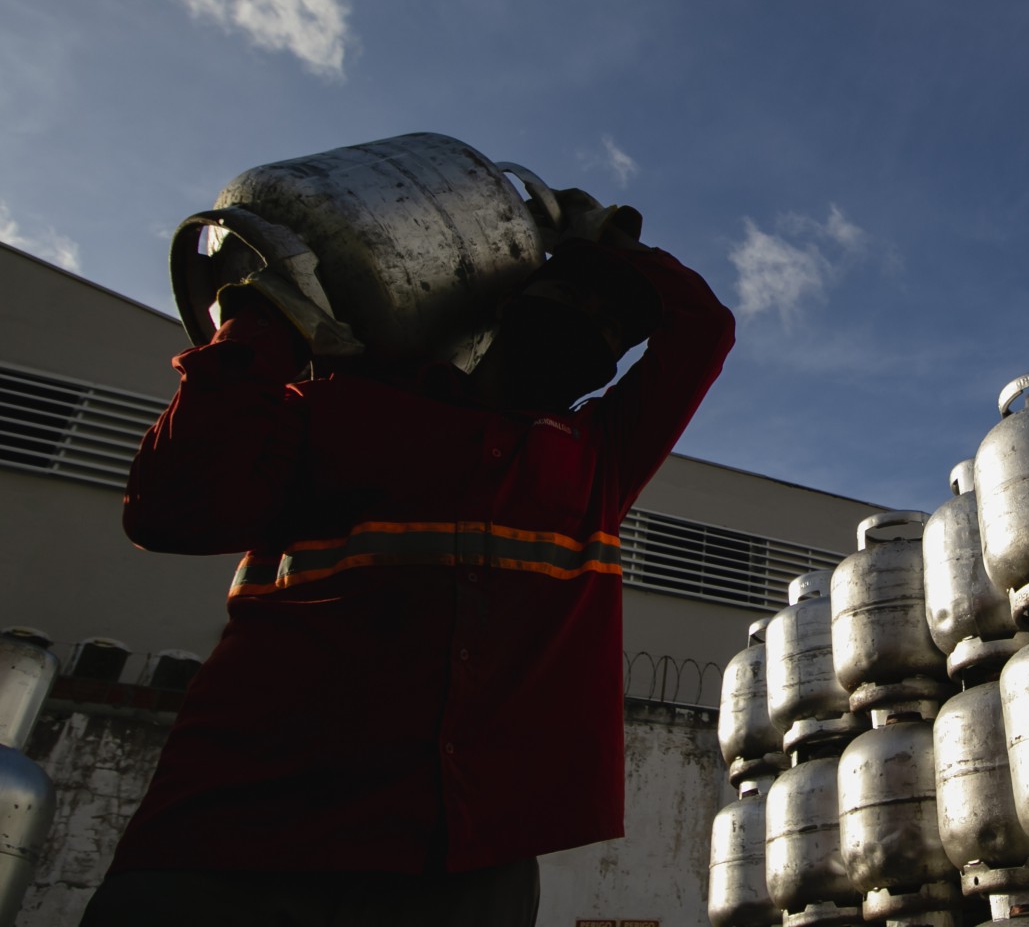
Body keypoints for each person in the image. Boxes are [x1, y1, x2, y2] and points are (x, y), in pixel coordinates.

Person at [78, 202, 735, 926]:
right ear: (505, 309)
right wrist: (262, 326)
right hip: (234, 833)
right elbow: (172, 509)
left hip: (460, 860)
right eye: (569, 293)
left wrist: (612, 246)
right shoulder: (335, 407)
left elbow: (703, 328)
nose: (588, 322)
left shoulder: (597, 462)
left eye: (610, 326)